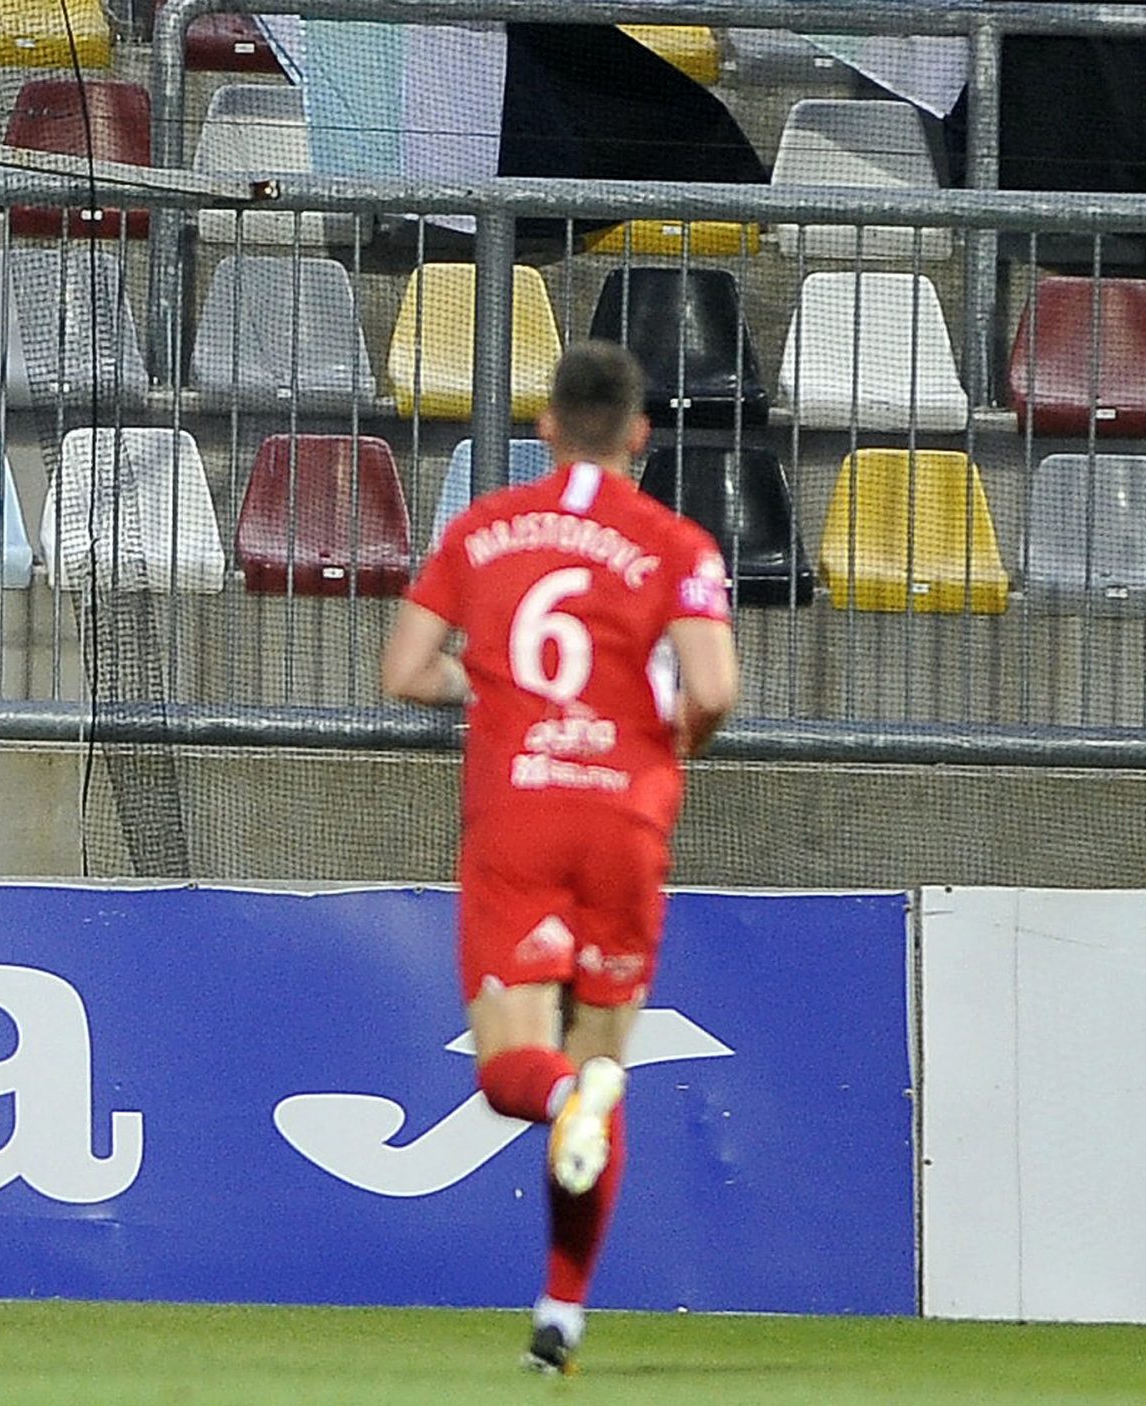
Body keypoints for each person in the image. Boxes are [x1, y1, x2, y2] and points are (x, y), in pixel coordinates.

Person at [379, 342, 740, 1375]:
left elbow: (404, 669)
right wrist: (668, 741)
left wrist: (490, 691)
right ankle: (562, 1311)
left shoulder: (485, 528)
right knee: (601, 1062)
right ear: (639, 434)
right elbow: (710, 690)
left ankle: (562, 1105)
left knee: (511, 1074)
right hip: (624, 819)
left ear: (543, 425)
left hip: (519, 817)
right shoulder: (676, 542)